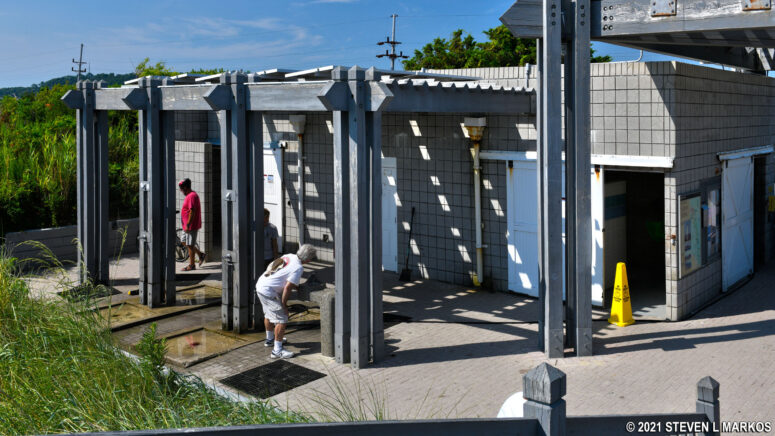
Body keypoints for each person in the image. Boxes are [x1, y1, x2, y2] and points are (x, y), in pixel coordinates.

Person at [255, 243, 317, 359]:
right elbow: (288, 287)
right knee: (282, 319)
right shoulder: (299, 267)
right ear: (308, 259)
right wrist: (284, 305)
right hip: (269, 291)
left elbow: (273, 266)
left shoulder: (289, 256)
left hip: (261, 285)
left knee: (269, 315)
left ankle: (270, 340)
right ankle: (277, 351)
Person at [179, 178, 205, 271]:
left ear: (186, 187)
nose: (181, 190)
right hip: (186, 226)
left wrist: (188, 224)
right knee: (183, 241)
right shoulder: (190, 195)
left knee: (190, 244)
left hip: (191, 226)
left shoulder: (192, 196)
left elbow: (192, 211)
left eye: (182, 188)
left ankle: (192, 265)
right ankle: (200, 254)